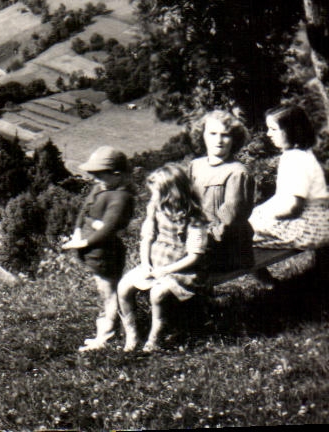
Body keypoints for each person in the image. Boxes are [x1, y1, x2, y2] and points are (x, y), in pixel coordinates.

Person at [117, 163, 208, 352]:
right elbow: (147, 239)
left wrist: (166, 270)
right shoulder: (155, 209)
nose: (153, 197)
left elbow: (195, 256)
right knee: (123, 286)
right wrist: (145, 263)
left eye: (157, 192)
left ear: (171, 193)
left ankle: (155, 337)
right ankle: (132, 334)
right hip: (155, 263)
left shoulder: (193, 218)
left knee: (157, 294)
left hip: (181, 269)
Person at [61, 146, 135, 351]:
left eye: (100, 175)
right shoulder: (102, 188)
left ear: (117, 175)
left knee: (109, 294)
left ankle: (107, 337)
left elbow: (109, 228)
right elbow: (85, 210)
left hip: (105, 254)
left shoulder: (121, 197)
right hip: (93, 251)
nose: (95, 179)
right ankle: (106, 332)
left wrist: (84, 241)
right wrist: (78, 229)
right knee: (103, 293)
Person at [249, 103, 329, 251]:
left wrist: (264, 216)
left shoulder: (295, 159)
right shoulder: (302, 154)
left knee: (243, 232)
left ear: (291, 131)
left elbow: (293, 207)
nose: (268, 134)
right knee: (250, 222)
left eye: (273, 129)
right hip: (319, 225)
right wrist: (260, 210)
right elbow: (282, 197)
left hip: (308, 230)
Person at [188, 109, 254, 275]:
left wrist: (200, 239)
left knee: (179, 266)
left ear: (234, 139)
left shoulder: (237, 173)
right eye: (212, 133)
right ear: (202, 135)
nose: (219, 140)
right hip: (198, 238)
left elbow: (230, 222)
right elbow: (185, 204)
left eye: (226, 135)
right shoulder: (195, 165)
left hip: (226, 247)